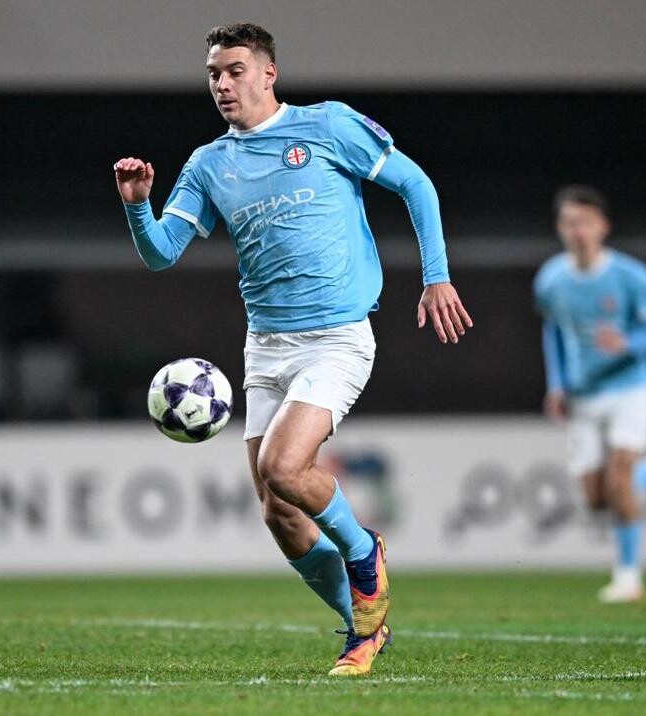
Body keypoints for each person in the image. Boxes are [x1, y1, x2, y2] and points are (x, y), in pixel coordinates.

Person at [112, 23, 471, 675]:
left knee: (283, 466)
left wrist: (437, 276)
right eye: (214, 74)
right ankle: (363, 630)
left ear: (268, 72)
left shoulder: (327, 126)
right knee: (278, 512)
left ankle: (363, 554)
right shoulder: (207, 164)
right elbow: (161, 253)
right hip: (266, 348)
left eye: (235, 70)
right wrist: (139, 206)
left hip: (335, 338)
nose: (223, 84)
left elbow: (416, 184)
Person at [535, 185, 646, 604]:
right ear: (560, 228)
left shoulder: (633, 277)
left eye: (585, 222)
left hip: (630, 388)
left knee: (619, 478)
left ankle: (628, 578)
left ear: (602, 226)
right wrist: (556, 384)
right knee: (597, 498)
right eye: (570, 223)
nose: (578, 231)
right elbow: (553, 331)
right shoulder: (550, 280)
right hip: (583, 395)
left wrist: (627, 343)